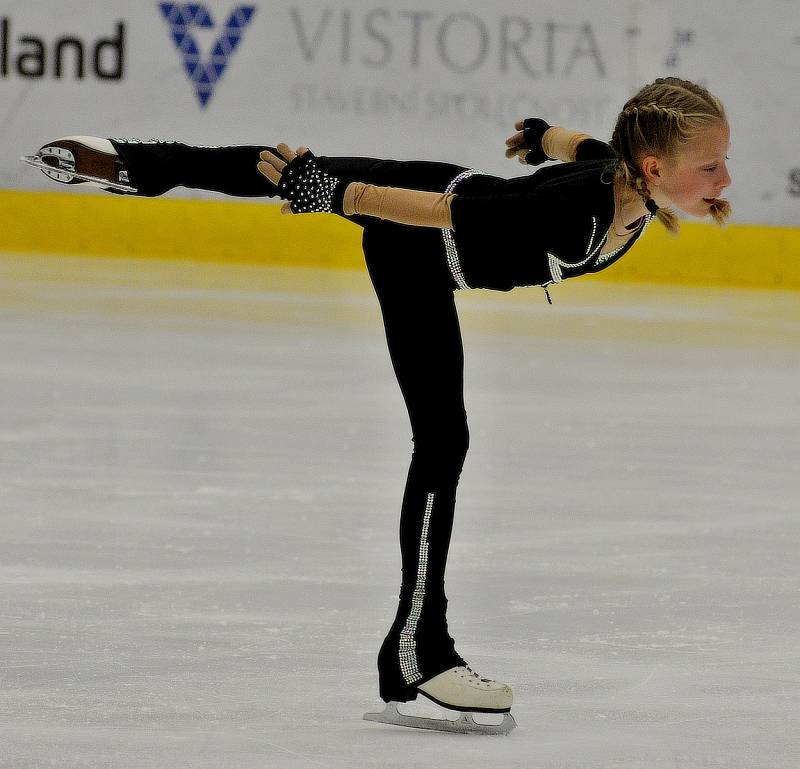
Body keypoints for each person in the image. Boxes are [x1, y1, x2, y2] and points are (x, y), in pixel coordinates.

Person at [22, 76, 732, 735]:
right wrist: (335, 194)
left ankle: (142, 167)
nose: (725, 180)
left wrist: (543, 134)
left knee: (299, 175)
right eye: (710, 166)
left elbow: (584, 147)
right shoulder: (568, 213)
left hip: (429, 222)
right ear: (653, 166)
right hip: (420, 237)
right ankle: (129, 164)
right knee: (441, 439)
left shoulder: (622, 183)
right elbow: (445, 213)